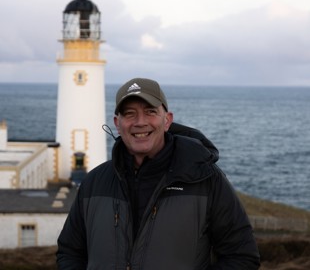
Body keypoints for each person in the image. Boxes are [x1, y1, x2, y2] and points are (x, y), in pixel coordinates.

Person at [56, 78, 260, 269]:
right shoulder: (95, 182)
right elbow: (70, 252)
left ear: (167, 120)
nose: (140, 122)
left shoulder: (206, 179)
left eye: (150, 112)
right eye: (129, 114)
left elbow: (241, 255)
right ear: (117, 124)